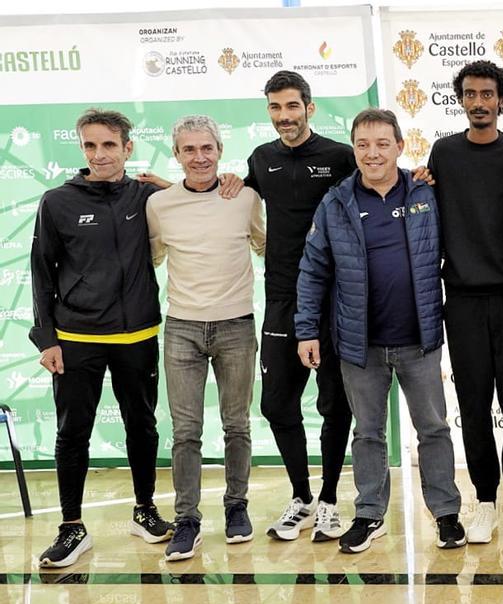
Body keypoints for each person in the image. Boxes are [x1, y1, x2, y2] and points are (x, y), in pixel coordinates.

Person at [295, 108, 464, 553]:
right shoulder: (336, 202)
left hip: (420, 340)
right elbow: (313, 270)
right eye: (363, 145)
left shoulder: (427, 192)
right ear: (354, 149)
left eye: (382, 144)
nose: (372, 153)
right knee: (367, 434)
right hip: (359, 344)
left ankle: (446, 513)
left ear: (400, 147)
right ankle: (369, 515)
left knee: (433, 429)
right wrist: (306, 330)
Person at [29, 109, 173, 568]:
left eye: (109, 145)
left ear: (128, 148)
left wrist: (171, 186)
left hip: (138, 335)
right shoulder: (57, 202)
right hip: (76, 337)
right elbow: (40, 272)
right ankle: (72, 527)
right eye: (90, 145)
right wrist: (47, 338)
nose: (99, 154)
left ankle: (145, 510)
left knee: (142, 427)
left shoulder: (147, 195)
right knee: (73, 433)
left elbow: (195, 203)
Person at [427, 60, 503, 548]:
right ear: (461, 100)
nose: (478, 102)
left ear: (502, 99)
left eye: (487, 94)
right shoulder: (444, 154)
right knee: (473, 408)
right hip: (463, 301)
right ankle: (486, 502)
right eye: (470, 94)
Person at [246, 70, 357, 544]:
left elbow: (374, 194)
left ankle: (331, 500)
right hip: (281, 300)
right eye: (276, 108)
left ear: (309, 107)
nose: (284, 117)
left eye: (292, 106)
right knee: (276, 405)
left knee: (335, 405)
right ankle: (301, 497)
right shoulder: (261, 158)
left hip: (334, 300)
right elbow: (225, 199)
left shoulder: (340, 157)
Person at [149, 115, 266, 561]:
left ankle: (237, 507)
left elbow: (263, 244)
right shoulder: (159, 206)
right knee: (186, 433)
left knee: (237, 425)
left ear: (219, 150)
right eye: (189, 150)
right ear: (177, 155)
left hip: (237, 325)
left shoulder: (245, 197)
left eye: (207, 149)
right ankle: (187, 520)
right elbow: (154, 255)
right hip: (181, 329)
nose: (199, 157)